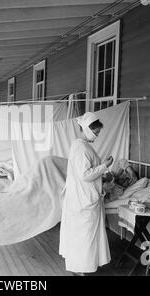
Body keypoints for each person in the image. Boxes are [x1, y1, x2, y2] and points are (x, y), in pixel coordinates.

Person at [59, 112, 113, 275]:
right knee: (84, 236)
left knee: (82, 235)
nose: (97, 136)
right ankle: (81, 267)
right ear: (88, 130)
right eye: (96, 132)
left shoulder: (81, 145)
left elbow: (85, 173)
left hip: (80, 196)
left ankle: (81, 266)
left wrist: (102, 175)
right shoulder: (81, 147)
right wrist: (104, 166)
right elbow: (85, 175)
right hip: (83, 199)